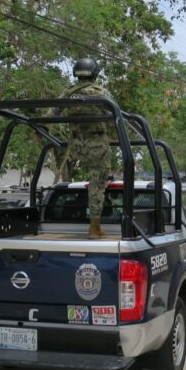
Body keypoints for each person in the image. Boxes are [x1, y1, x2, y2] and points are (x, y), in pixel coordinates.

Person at [63, 58, 112, 239]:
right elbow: (113, 115)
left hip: (76, 146)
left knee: (92, 181)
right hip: (97, 147)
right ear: (95, 73)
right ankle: (94, 228)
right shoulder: (101, 93)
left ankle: (94, 227)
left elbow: (53, 111)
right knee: (97, 185)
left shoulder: (68, 93)